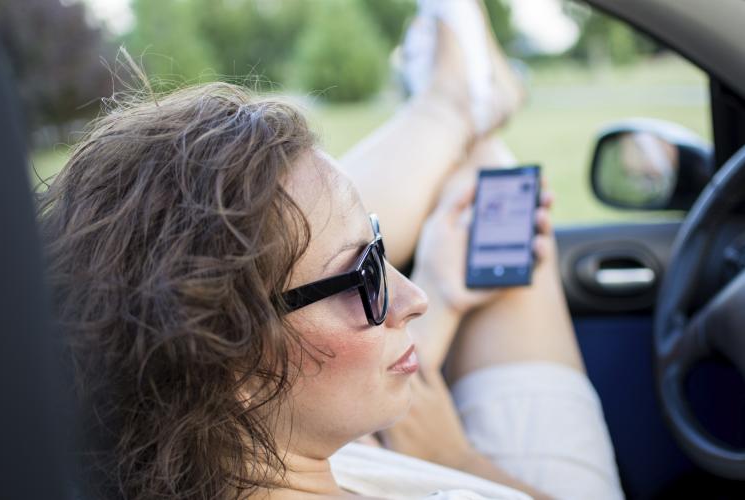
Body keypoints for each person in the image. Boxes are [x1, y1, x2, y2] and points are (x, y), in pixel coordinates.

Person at [38, 1, 622, 499]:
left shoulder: (240, 448)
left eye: (382, 245)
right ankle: (459, 105)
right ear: (225, 357)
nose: (412, 298)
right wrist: (458, 460)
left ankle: (454, 104)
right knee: (486, 162)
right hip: (481, 470)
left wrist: (444, 296)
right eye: (366, 275)